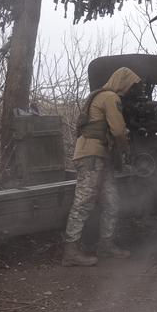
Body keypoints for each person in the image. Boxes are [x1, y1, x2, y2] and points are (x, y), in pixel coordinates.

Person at [62, 66, 140, 267]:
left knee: (111, 202)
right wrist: (126, 151)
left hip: (99, 157)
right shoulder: (109, 97)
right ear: (122, 82)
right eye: (130, 85)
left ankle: (106, 245)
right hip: (91, 156)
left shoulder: (100, 95)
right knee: (83, 202)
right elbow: (119, 130)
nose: (131, 90)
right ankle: (70, 251)